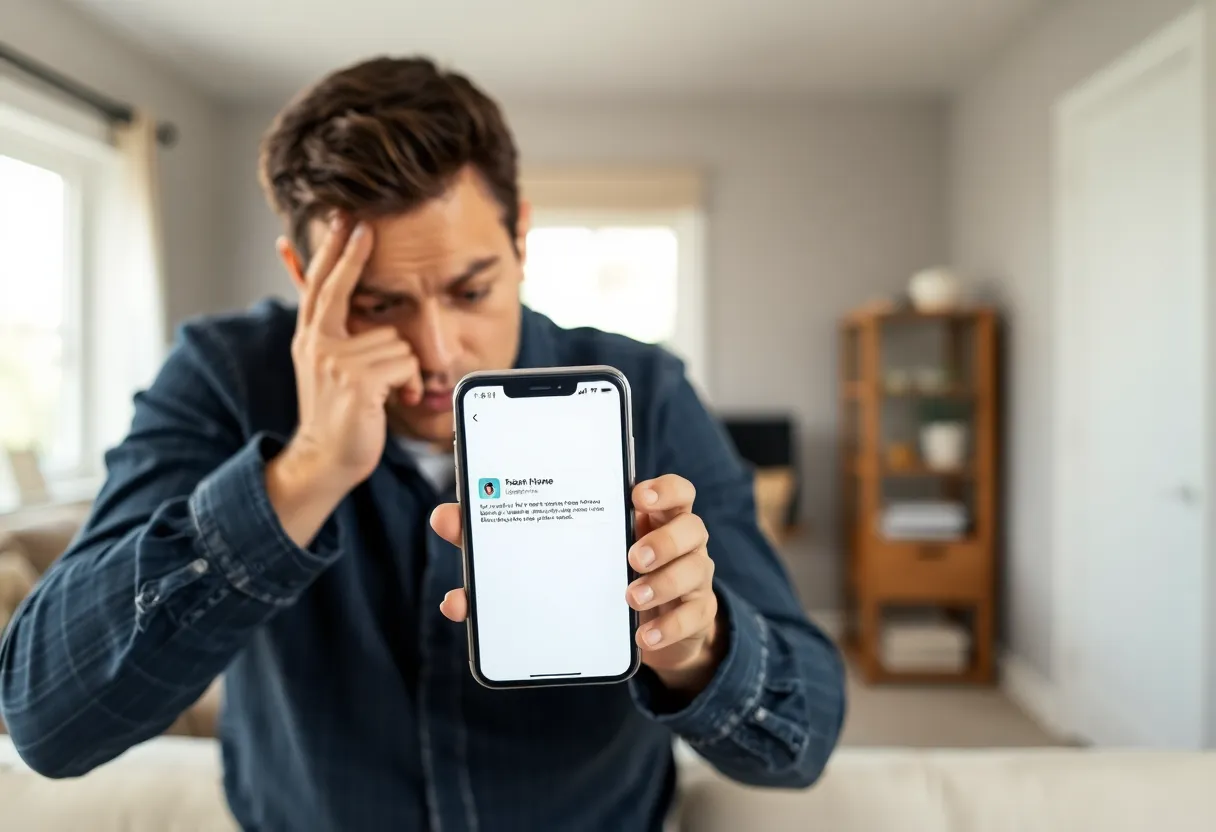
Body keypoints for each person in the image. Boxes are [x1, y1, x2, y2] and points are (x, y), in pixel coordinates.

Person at [0, 57, 845, 830]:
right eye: (377, 305)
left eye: (471, 290)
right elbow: (48, 724)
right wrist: (303, 476)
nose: (438, 355)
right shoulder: (224, 377)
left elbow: (800, 741)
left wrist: (697, 651)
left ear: (521, 244)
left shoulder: (643, 392)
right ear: (305, 277)